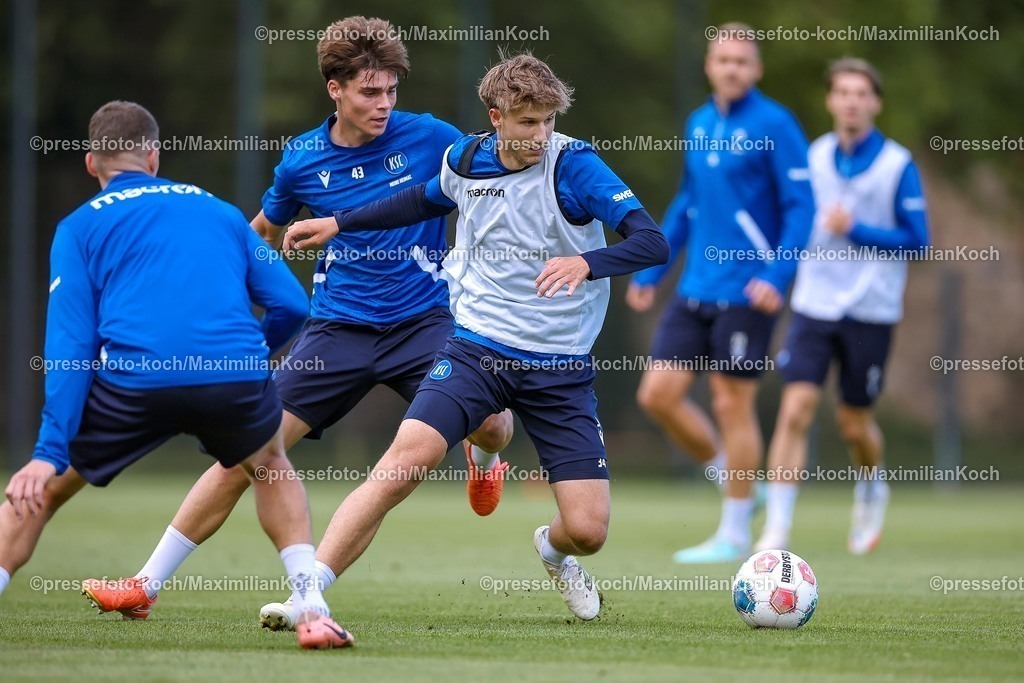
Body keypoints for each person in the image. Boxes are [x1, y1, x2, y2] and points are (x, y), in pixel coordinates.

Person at [81, 16, 514, 629]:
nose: (384, 105)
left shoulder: (431, 138)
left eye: (391, 91)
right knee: (247, 451)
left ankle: (485, 459)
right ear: (334, 89)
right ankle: (146, 583)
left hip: (426, 323)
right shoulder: (303, 160)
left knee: (495, 424)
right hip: (337, 330)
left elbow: (493, 179)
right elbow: (258, 232)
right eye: (369, 92)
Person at [278, 52, 668, 621]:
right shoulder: (463, 159)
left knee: (587, 531)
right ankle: (307, 594)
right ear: (496, 117)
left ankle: (553, 552)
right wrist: (339, 223)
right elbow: (420, 198)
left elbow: (652, 242)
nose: (541, 135)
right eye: (528, 122)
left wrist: (590, 263)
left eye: (549, 121)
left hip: (559, 363)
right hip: (476, 346)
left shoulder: (574, 166)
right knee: (403, 462)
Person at [0, 101, 352, 649]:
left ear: (92, 164)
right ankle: (311, 608)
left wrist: (48, 452)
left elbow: (70, 349)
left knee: (38, 494)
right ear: (154, 156)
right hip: (230, 376)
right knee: (270, 464)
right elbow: (292, 305)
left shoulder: (79, 227)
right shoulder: (219, 212)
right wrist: (248, 358)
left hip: (134, 383)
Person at [626, 22, 815, 564]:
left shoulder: (776, 124)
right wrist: (649, 270)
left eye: (742, 61)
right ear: (710, 65)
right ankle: (736, 484)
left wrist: (778, 276)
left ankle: (734, 531)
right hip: (695, 287)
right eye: (722, 60)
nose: (731, 68)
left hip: (748, 290)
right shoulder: (700, 122)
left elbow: (801, 208)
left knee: (732, 402)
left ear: (756, 69)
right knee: (656, 395)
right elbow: (687, 204)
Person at [755, 58, 929, 555]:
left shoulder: (898, 164)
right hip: (814, 306)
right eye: (843, 92)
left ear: (875, 103)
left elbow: (918, 240)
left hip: (871, 312)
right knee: (796, 409)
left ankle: (872, 486)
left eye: (862, 93)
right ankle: (777, 530)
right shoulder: (812, 158)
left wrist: (855, 228)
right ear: (831, 100)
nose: (852, 101)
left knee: (854, 423)